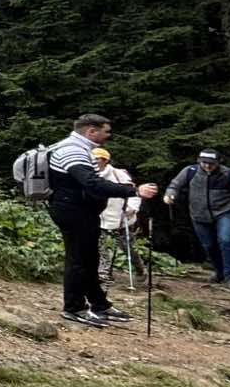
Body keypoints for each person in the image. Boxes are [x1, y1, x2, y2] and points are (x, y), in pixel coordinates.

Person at [48, 114, 159, 326]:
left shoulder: (79, 148)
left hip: (81, 211)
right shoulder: (72, 150)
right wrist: (134, 191)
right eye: (106, 131)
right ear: (91, 130)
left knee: (90, 259)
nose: (108, 136)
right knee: (78, 260)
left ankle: (99, 304)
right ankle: (74, 308)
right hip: (73, 211)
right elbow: (92, 184)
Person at [165, 150, 230, 290]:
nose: (208, 166)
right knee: (209, 245)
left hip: (225, 211)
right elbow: (174, 185)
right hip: (199, 215)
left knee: (226, 240)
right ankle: (219, 273)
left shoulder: (229, 174)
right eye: (204, 163)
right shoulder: (190, 171)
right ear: (199, 161)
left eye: (212, 164)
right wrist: (170, 195)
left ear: (218, 162)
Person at [94, 148, 140, 281]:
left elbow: (134, 192)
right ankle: (104, 272)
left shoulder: (119, 174)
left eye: (97, 159)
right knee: (99, 246)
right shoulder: (89, 174)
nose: (94, 161)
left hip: (120, 217)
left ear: (105, 160)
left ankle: (139, 268)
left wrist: (132, 207)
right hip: (99, 217)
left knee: (128, 247)